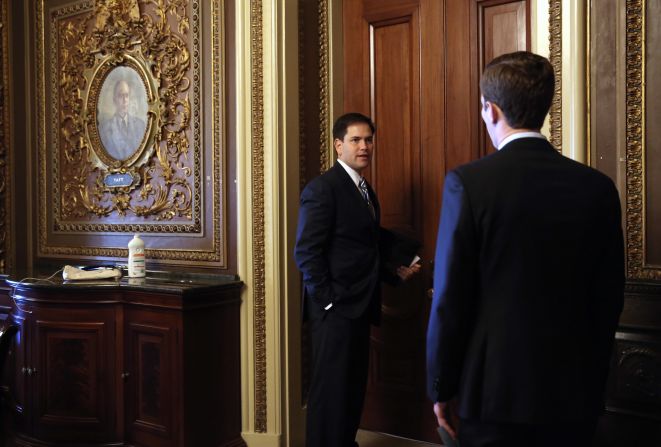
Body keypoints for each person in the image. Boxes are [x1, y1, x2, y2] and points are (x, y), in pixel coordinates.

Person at [426, 51, 624, 447]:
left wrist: (440, 387)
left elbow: (449, 299)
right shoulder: (597, 188)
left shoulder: (468, 184)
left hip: (494, 393)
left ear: (491, 110)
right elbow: (608, 298)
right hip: (574, 390)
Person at [295, 112, 421, 447]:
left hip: (360, 305)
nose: (364, 146)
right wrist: (329, 302)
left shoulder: (363, 188)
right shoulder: (323, 188)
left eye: (368, 140)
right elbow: (306, 252)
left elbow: (360, 246)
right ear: (339, 145)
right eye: (355, 140)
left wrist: (394, 271)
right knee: (330, 393)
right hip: (335, 310)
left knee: (351, 390)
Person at [98, 79, 146, 160]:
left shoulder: (140, 125)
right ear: (114, 100)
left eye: (126, 95)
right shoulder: (105, 129)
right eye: (120, 96)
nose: (125, 100)